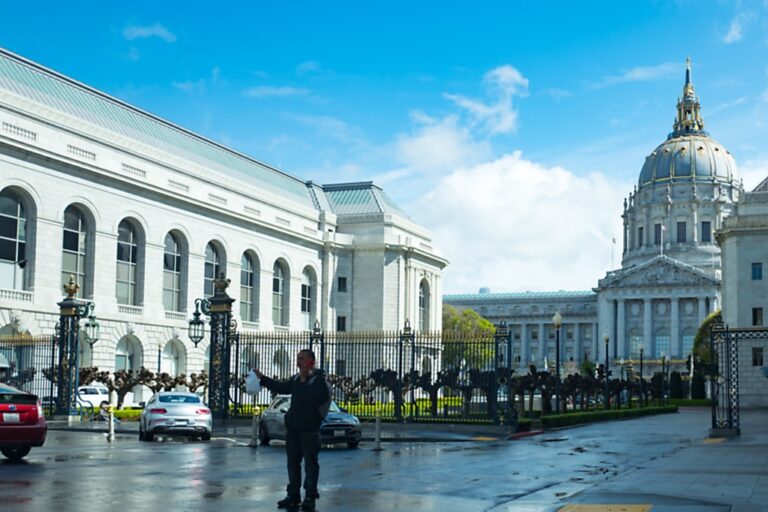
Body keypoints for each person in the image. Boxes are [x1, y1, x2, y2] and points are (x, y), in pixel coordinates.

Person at [254, 349, 329, 511]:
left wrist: (304, 380)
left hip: (310, 430)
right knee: (292, 464)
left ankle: (310, 496)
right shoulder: (296, 380)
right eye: (297, 359)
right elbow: (281, 388)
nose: (298, 362)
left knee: (310, 465)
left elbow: (315, 399)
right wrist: (263, 379)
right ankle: (293, 494)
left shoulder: (319, 382)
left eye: (302, 359)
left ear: (311, 362)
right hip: (294, 430)